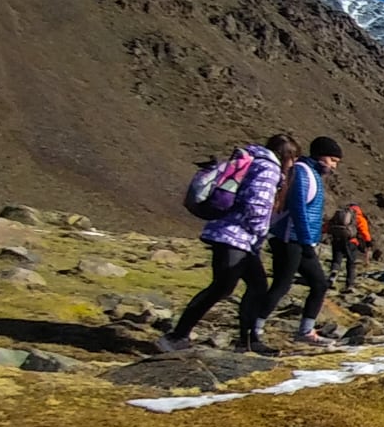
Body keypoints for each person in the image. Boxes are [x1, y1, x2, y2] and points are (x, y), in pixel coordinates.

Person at [158, 134, 294, 354]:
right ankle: (177, 336)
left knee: (255, 285)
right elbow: (258, 204)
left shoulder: (254, 162)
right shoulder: (269, 169)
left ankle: (247, 341)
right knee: (222, 287)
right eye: (293, 158)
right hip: (236, 236)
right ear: (287, 155)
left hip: (231, 234)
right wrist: (260, 231)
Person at [256, 136, 342, 347]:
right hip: (290, 239)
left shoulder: (309, 173)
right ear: (321, 156)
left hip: (301, 240)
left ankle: (305, 330)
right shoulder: (303, 173)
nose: (333, 166)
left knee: (319, 284)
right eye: (332, 160)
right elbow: (299, 210)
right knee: (282, 284)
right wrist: (306, 242)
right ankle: (253, 330)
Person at [326, 200, 371, 293]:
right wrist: (368, 242)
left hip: (337, 239)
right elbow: (364, 231)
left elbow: (327, 225)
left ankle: (332, 276)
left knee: (336, 259)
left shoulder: (340, 214)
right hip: (351, 242)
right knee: (351, 263)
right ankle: (349, 284)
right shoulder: (358, 217)